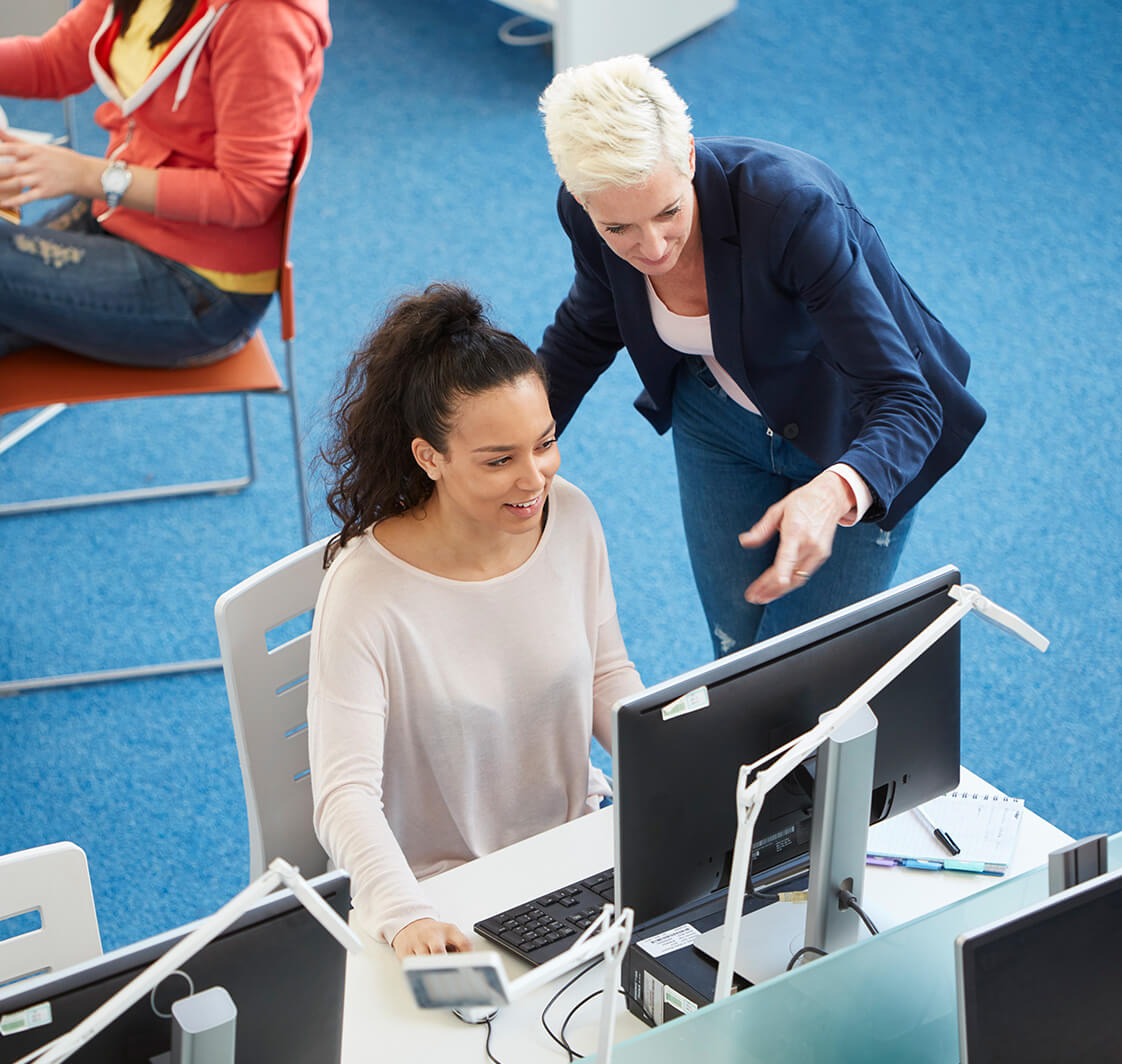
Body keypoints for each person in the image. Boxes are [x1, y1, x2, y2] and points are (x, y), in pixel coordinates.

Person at [537, 55, 986, 657]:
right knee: (734, 652)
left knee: (804, 672)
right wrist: (513, 446)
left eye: (669, 211)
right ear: (580, 198)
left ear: (690, 157)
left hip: (849, 429)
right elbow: (587, 329)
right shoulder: (586, 214)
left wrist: (833, 491)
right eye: (620, 228)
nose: (651, 247)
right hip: (715, 425)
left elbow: (907, 401)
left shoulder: (791, 210)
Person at [307, 283, 642, 958]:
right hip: (446, 897)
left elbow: (607, 676)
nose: (534, 479)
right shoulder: (365, 590)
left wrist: (679, 764)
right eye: (499, 461)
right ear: (429, 457)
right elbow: (343, 794)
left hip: (576, 860)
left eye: (544, 444)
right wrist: (406, 915)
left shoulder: (570, 515)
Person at [0, 0, 330, 365]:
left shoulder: (265, 17)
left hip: (200, 286)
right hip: (127, 212)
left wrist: (85, 175)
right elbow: (52, 62)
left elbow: (249, 194)